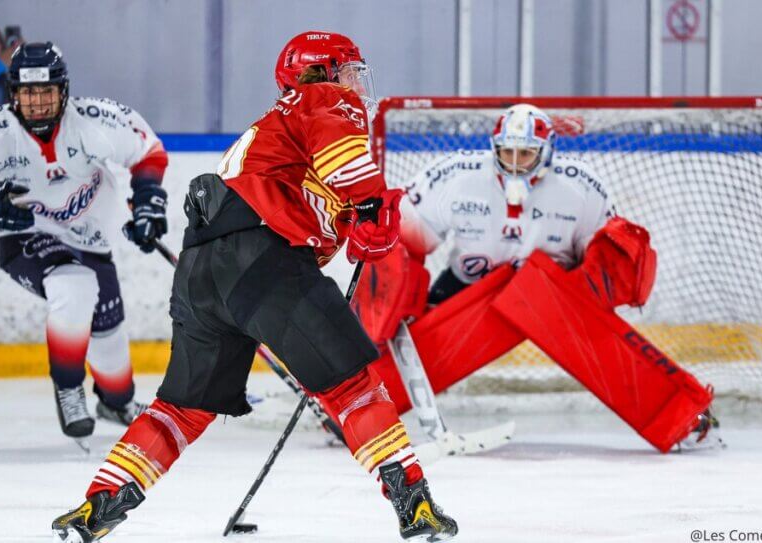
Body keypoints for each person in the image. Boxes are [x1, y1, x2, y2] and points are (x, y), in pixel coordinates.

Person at [51, 31, 458, 542]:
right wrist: (370, 205)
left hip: (202, 273)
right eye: (350, 69)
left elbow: (302, 203)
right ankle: (415, 505)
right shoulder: (325, 98)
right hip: (264, 262)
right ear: (325, 71)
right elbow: (344, 169)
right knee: (353, 389)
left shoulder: (275, 125)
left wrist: (356, 223)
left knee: (181, 408)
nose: (357, 82)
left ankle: (99, 504)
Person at [355, 104, 720, 453]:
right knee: (411, 341)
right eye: (507, 153)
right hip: (471, 284)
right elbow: (403, 240)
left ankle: (683, 417)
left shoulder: (581, 188)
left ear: (546, 153)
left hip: (548, 294)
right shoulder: (457, 175)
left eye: (525, 154)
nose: (514, 164)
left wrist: (594, 297)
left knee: (601, 346)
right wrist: (391, 296)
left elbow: (603, 261)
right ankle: (351, 409)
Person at [0, 42, 169, 448]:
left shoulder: (92, 120)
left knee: (110, 338)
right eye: (28, 92)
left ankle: (115, 401)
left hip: (90, 237)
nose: (37, 101)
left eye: (46, 91)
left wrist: (148, 201)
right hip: (24, 237)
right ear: (13, 93)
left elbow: (147, 151)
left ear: (63, 90)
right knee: (74, 286)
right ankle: (69, 389)